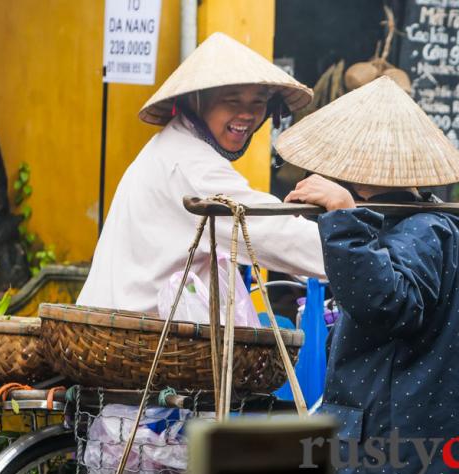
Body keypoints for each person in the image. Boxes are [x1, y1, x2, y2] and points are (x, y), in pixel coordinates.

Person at [278, 77, 459, 474]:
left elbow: (387, 302)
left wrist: (344, 217)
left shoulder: (423, 231)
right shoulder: (418, 227)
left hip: (397, 452)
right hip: (413, 442)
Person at [78, 33, 325, 313]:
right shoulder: (190, 164)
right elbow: (269, 231)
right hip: (136, 339)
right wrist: (354, 253)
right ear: (197, 101)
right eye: (232, 100)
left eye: (258, 102)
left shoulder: (176, 147)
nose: (247, 114)